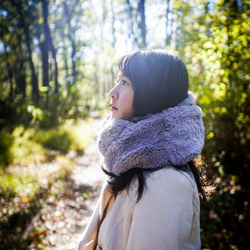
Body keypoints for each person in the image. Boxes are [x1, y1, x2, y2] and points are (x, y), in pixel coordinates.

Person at [78, 49, 208, 250]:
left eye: (125, 83)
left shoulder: (167, 182)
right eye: (117, 80)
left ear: (152, 92)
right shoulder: (129, 156)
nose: (112, 92)